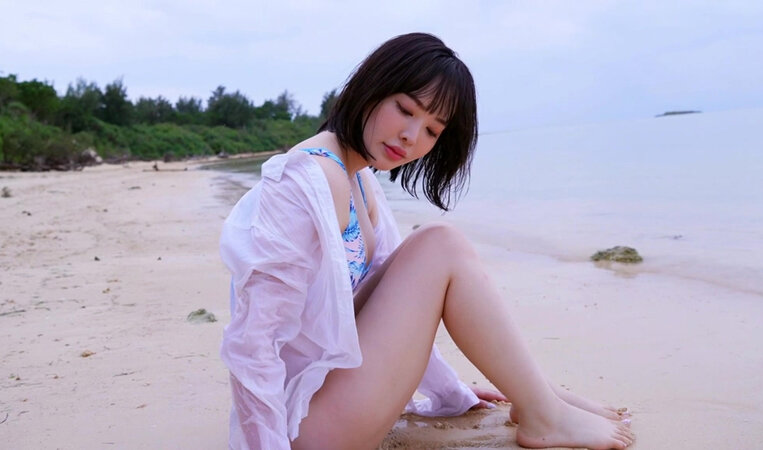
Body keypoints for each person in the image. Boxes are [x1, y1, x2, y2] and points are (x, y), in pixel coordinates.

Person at [220, 32, 634, 449]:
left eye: (432, 130)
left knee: (435, 246)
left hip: (324, 400)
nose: (411, 136)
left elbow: (393, 308)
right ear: (372, 85)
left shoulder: (359, 178)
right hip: (302, 428)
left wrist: (451, 391)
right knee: (439, 244)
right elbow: (254, 343)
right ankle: (544, 412)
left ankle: (536, 396)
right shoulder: (306, 181)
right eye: (405, 109)